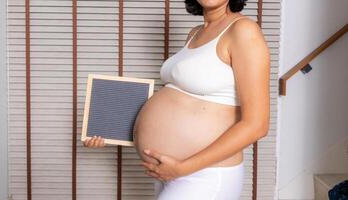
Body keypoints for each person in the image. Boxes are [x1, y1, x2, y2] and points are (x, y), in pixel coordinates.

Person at [83, 0, 270, 199]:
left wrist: (183, 168)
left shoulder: (243, 30)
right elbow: (178, 97)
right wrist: (106, 127)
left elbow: (257, 125)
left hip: (204, 174)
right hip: (167, 172)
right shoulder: (195, 33)